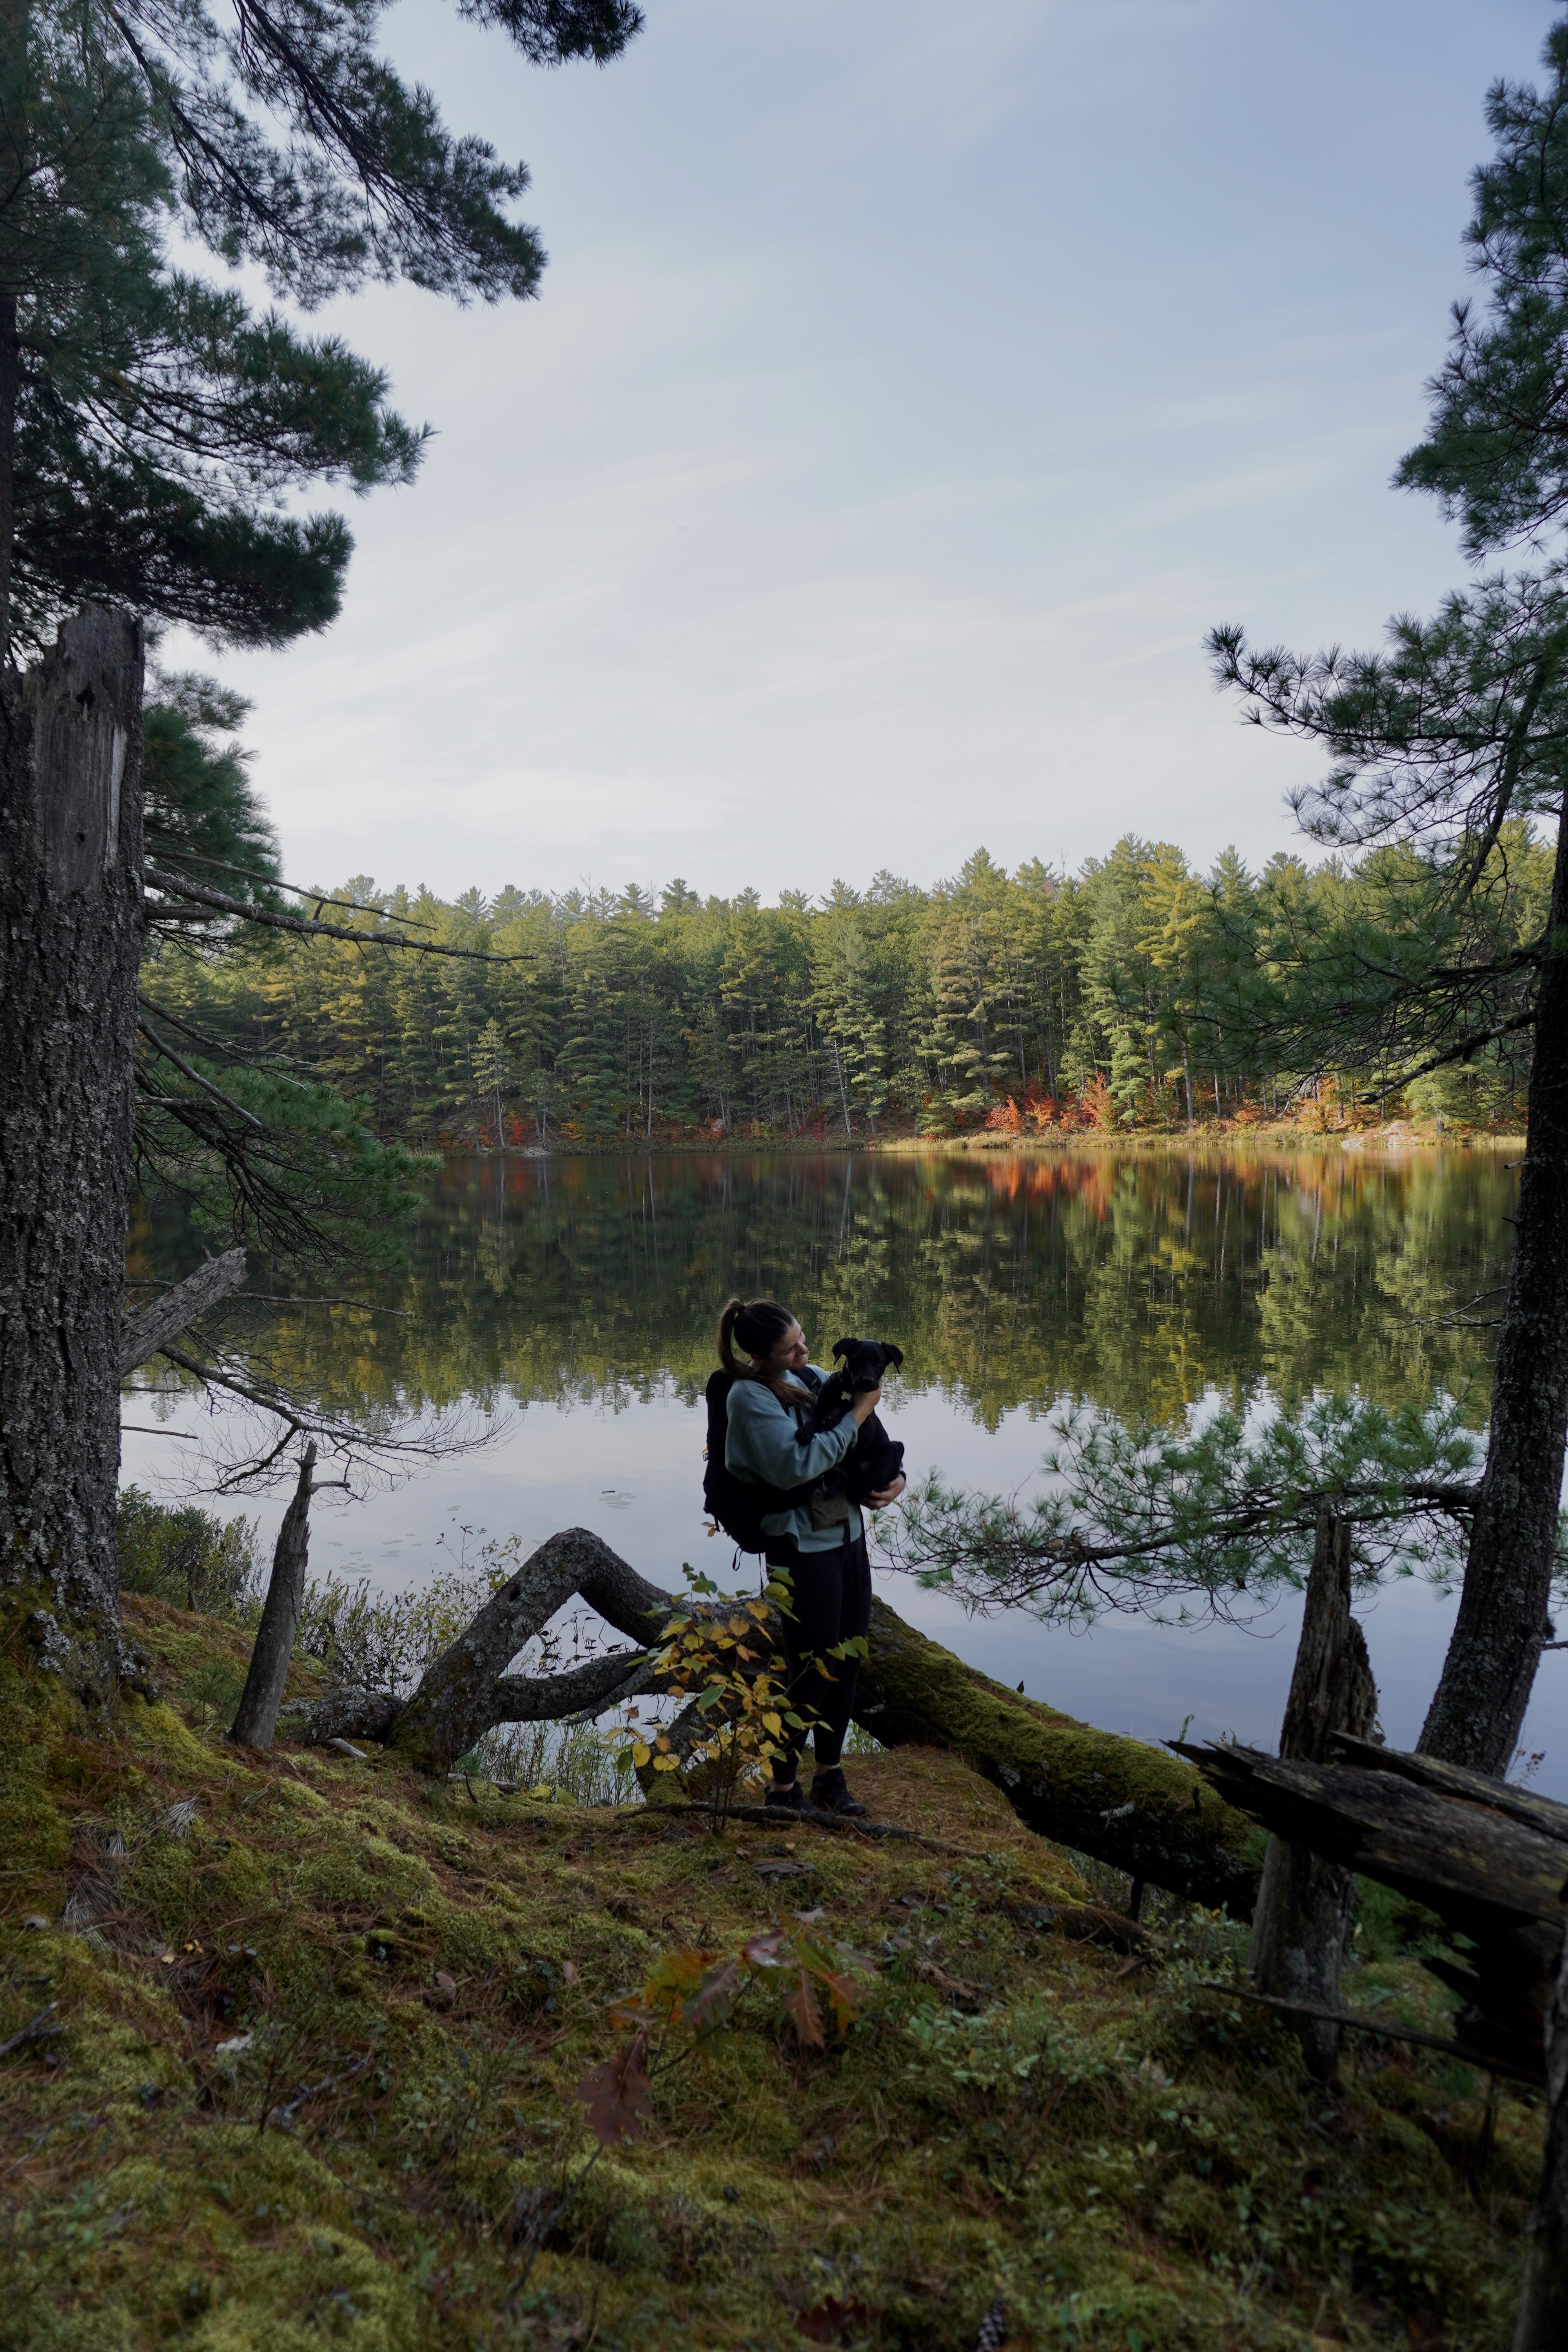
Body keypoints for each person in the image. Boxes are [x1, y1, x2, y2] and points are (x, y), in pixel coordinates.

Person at [718, 1295, 906, 1816]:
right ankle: (782, 1789)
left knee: (847, 1663)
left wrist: (898, 1481)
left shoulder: (817, 1377)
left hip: (847, 1538)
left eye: (802, 1338)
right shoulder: (749, 1398)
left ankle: (829, 1778)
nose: (805, 1348)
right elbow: (794, 1466)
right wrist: (860, 1412)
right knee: (812, 1669)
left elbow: (871, 1443)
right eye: (791, 1347)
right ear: (764, 1355)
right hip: (800, 1548)